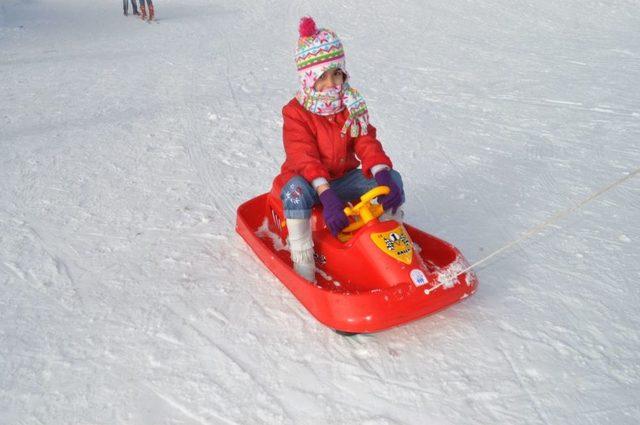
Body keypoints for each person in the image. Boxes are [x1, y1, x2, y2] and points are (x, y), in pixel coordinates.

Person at [272, 17, 405, 282]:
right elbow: (303, 156)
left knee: (393, 180)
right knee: (295, 193)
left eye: (337, 74)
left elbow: (365, 139)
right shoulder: (296, 112)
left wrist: (380, 172)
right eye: (323, 76)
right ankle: (303, 259)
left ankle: (393, 243)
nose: (332, 83)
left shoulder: (350, 104)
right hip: (309, 182)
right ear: (309, 79)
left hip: (342, 179)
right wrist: (326, 193)